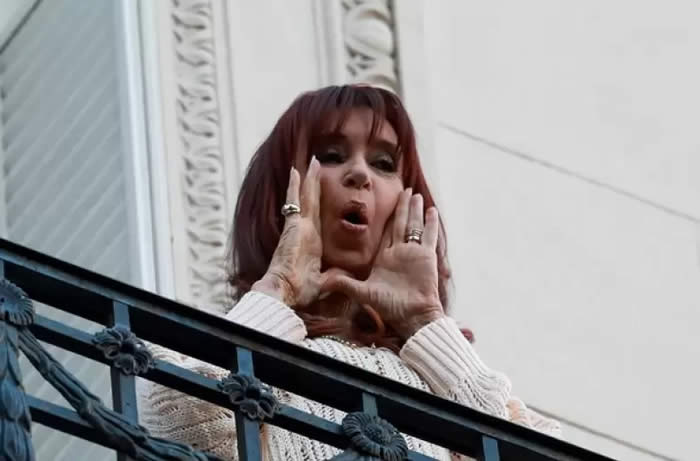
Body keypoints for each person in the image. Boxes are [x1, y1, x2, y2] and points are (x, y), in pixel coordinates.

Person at [137, 85, 561, 460]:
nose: (359, 174)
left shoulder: (435, 382)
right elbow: (178, 418)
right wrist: (279, 288)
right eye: (332, 156)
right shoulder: (253, 351)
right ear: (280, 195)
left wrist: (425, 320)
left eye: (384, 163)